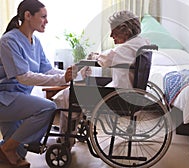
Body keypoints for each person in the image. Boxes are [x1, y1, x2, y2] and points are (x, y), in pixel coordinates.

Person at [54, 10, 150, 148]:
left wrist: (92, 58)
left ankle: (66, 138)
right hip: (127, 92)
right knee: (80, 88)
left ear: (126, 31)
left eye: (114, 31)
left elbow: (106, 59)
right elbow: (111, 56)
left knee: (67, 95)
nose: (111, 35)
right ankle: (73, 128)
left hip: (119, 97)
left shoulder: (128, 47)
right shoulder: (140, 43)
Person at [0, 0, 76, 168]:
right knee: (47, 108)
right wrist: (63, 79)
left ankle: (7, 148)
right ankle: (7, 147)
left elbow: (47, 69)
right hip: (4, 99)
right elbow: (23, 77)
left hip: (17, 98)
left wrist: (69, 75)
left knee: (19, 152)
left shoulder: (36, 41)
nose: (46, 21)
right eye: (43, 17)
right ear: (28, 15)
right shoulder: (9, 41)